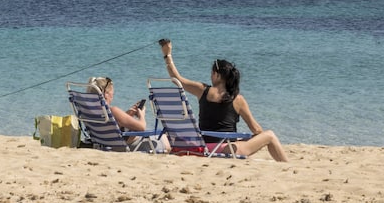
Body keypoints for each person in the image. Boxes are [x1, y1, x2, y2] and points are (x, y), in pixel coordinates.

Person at [159, 40, 289, 162]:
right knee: (270, 135)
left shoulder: (202, 90)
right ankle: (286, 164)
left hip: (204, 147)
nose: (210, 76)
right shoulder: (238, 99)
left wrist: (167, 55)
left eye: (212, 73)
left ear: (217, 75)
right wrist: (252, 137)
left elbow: (177, 78)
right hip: (227, 149)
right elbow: (256, 129)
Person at [86, 76, 152, 151]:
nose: (113, 95)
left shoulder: (89, 111)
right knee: (161, 138)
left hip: (103, 145)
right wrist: (141, 114)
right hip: (124, 146)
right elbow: (142, 127)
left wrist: (127, 114)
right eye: (112, 93)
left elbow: (110, 126)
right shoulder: (113, 111)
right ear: (106, 94)